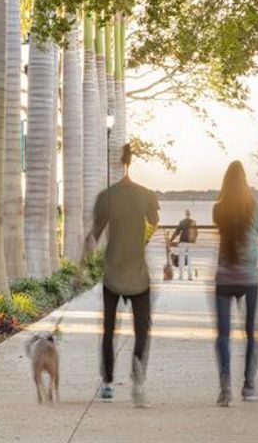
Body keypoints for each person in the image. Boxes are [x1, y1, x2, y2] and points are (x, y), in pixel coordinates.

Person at [88, 144, 159, 406]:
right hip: (138, 276)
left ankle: (107, 383)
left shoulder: (107, 196)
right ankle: (137, 377)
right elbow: (154, 223)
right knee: (142, 330)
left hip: (112, 275)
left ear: (119, 163)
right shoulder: (146, 195)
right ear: (132, 162)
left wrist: (83, 263)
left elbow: (94, 234)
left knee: (109, 330)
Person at [212, 161, 258, 406]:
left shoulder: (218, 209)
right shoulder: (254, 208)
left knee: (223, 335)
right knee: (251, 334)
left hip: (224, 278)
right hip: (249, 279)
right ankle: (248, 387)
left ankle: (225, 387)